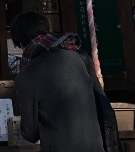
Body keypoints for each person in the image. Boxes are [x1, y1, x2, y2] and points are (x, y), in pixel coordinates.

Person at [10, 10, 109, 152]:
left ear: (20, 41)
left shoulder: (26, 75)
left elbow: (30, 133)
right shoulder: (79, 56)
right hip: (95, 145)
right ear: (45, 28)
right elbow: (101, 102)